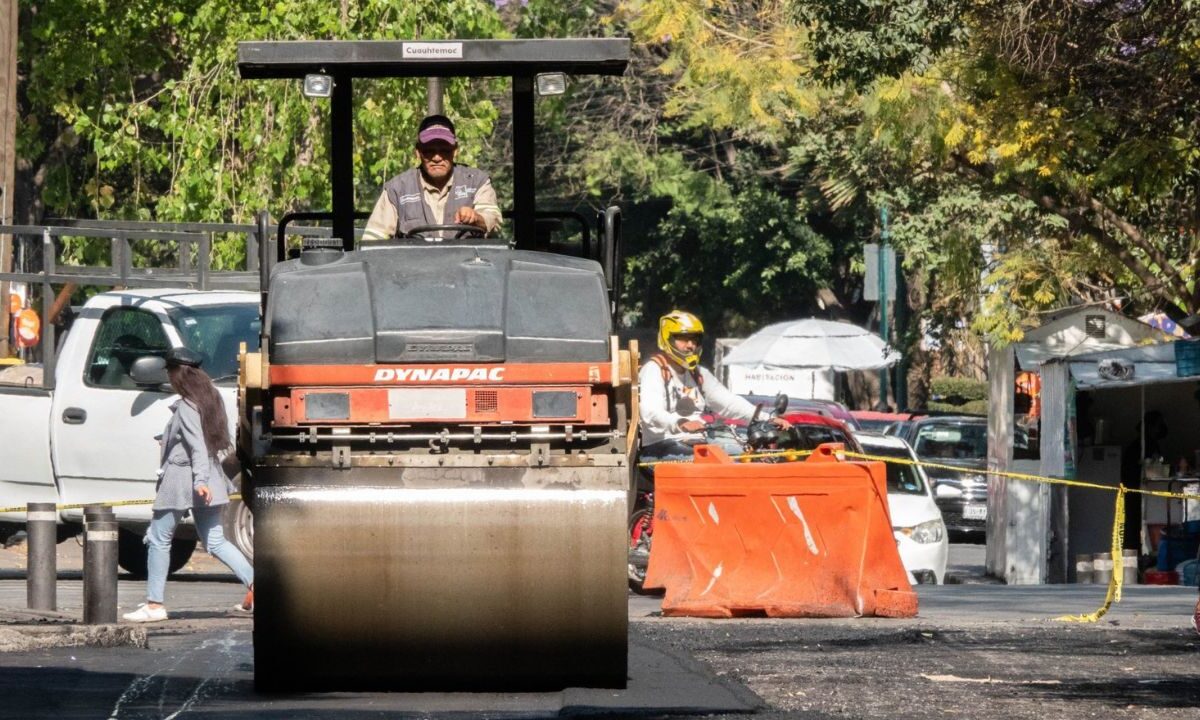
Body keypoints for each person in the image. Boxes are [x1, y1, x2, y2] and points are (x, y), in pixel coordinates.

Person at [122, 347, 253, 623]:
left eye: (169, 372)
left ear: (177, 374)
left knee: (159, 538)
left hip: (184, 480)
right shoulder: (208, 399)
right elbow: (204, 442)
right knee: (215, 541)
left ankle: (154, 605)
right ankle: (257, 586)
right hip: (208, 477)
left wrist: (200, 481)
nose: (168, 378)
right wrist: (167, 438)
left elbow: (196, 446)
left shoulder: (186, 407)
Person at [638, 310, 790, 462]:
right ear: (668, 339)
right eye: (684, 339)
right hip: (660, 446)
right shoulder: (655, 369)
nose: (691, 345)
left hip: (698, 443)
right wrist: (681, 423)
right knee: (710, 463)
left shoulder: (698, 373)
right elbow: (650, 412)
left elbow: (729, 403)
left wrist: (766, 419)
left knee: (747, 456)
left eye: (695, 339)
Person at [363, 114, 502, 241]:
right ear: (418, 152)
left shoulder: (477, 181)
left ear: (455, 151)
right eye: (429, 151)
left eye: (444, 150)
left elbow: (492, 219)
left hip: (469, 265)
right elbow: (373, 241)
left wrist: (477, 218)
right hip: (412, 267)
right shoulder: (397, 189)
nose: (437, 157)